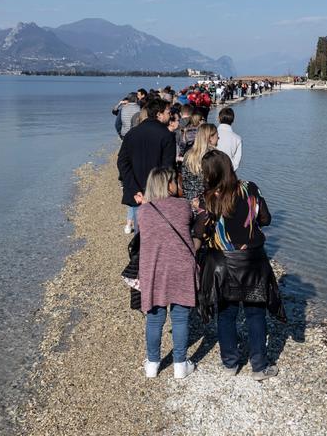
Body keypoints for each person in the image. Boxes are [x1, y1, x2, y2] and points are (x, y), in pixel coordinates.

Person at [196, 150, 283, 378]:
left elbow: (200, 231)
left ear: (211, 173)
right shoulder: (250, 188)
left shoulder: (208, 198)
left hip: (222, 264)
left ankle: (230, 363)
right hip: (253, 261)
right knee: (255, 314)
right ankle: (259, 366)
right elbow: (266, 219)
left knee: (226, 315)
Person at [137, 165, 197, 379]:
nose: (177, 184)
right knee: (180, 317)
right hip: (181, 266)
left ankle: (152, 363)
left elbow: (142, 235)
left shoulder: (143, 211)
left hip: (154, 268)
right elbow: (191, 224)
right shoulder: (184, 206)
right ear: (168, 184)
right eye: (174, 181)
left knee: (154, 318)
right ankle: (180, 364)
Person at [117, 98, 177, 234]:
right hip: (158, 192)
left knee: (140, 233)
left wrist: (133, 188)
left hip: (136, 191)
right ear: (159, 114)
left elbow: (122, 163)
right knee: (157, 233)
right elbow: (167, 168)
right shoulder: (166, 135)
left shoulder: (132, 133)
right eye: (168, 112)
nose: (171, 115)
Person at [181, 123, 218, 204]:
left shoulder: (188, 155)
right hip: (207, 202)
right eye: (217, 136)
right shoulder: (214, 156)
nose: (218, 138)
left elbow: (184, 178)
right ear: (210, 138)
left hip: (189, 200)